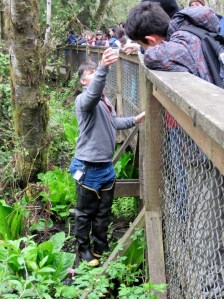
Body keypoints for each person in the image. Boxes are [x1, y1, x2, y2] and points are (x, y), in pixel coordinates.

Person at [125, 2, 223, 296]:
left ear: (151, 38)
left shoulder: (179, 44)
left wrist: (143, 52)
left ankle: (208, 287)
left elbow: (155, 57)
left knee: (205, 219)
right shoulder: (198, 29)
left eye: (144, 44)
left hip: (208, 144)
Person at [70, 48, 145, 267]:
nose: (96, 74)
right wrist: (103, 67)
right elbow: (93, 93)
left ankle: (100, 247)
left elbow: (113, 123)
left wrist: (135, 119)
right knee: (85, 214)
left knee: (103, 211)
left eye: (97, 70)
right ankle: (83, 250)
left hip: (105, 167)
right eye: (92, 72)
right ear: (84, 81)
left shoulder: (104, 101)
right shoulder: (84, 101)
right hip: (88, 167)